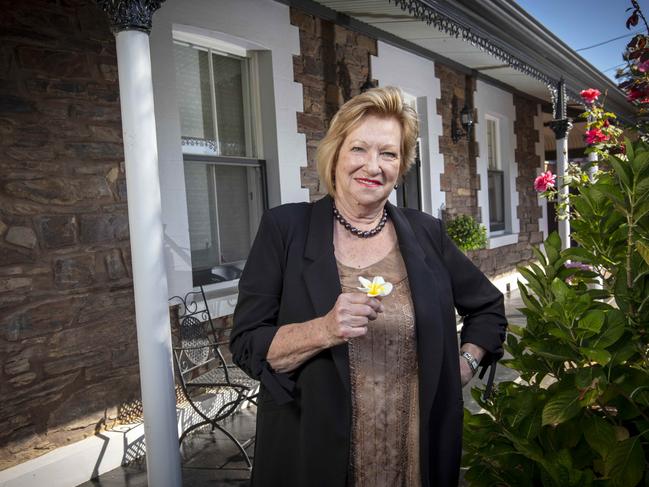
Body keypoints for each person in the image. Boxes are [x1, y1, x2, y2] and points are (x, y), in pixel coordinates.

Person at [229, 86, 507, 487]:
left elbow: (488, 307)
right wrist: (324, 329)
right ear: (336, 154)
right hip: (312, 456)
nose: (372, 166)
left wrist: (464, 363)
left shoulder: (426, 233)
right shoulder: (284, 229)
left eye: (388, 153)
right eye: (359, 149)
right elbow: (247, 344)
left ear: (402, 164)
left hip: (415, 455)